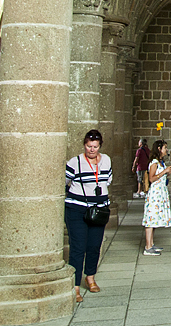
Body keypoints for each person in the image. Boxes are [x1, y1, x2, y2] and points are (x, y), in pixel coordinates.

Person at [64, 129, 112, 302]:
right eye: (89, 146)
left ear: (100, 146)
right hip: (77, 209)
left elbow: (108, 180)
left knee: (94, 245)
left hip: (99, 211)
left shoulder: (106, 160)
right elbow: (66, 182)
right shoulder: (75, 162)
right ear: (84, 145)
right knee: (78, 247)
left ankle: (90, 277)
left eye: (95, 146)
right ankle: (75, 285)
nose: (92, 149)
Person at [142, 139, 171, 255]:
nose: (166, 150)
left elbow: (162, 173)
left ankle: (151, 244)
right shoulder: (154, 162)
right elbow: (152, 178)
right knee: (150, 219)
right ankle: (148, 247)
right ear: (159, 149)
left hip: (160, 193)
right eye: (165, 148)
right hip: (154, 194)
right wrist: (164, 172)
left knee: (154, 219)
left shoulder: (160, 161)